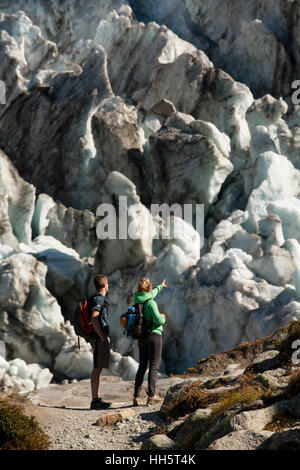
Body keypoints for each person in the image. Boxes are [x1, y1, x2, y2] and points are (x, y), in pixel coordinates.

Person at [133, 277, 167, 406]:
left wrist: (160, 286)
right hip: (154, 336)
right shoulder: (151, 303)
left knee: (142, 365)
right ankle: (152, 395)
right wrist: (163, 318)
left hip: (142, 337)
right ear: (148, 288)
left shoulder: (138, 301)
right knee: (154, 365)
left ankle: (136, 396)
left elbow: (151, 294)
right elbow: (158, 320)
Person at [88, 274, 112, 410]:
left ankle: (96, 398)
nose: (108, 286)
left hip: (96, 337)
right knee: (97, 367)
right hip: (98, 337)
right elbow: (94, 317)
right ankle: (95, 400)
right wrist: (102, 336)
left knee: (99, 366)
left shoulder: (96, 298)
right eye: (107, 283)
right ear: (104, 285)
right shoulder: (99, 299)